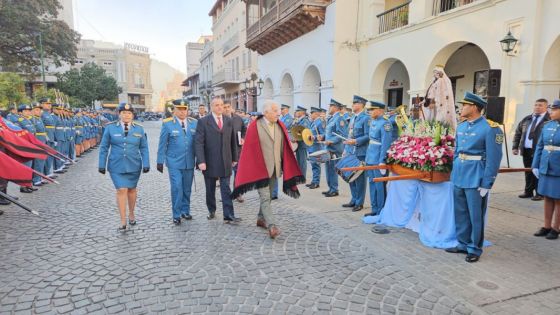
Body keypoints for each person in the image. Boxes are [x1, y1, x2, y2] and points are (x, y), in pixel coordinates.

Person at [231, 100, 304, 238]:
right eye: (275, 110)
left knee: (268, 196)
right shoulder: (255, 126)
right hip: (260, 170)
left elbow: (284, 147)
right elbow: (249, 151)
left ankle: (260, 218)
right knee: (265, 197)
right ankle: (272, 226)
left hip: (274, 168)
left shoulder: (280, 125)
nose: (278, 113)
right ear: (266, 112)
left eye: (278, 110)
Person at [445, 92, 503, 263]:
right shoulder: (462, 127)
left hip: (476, 177)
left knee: (475, 215)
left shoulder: (490, 128)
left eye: (465, 105)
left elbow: (494, 158)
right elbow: (456, 153)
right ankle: (462, 244)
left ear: (475, 107)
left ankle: (474, 248)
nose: (461, 108)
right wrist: (453, 173)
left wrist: (487, 182)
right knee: (460, 212)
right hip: (460, 175)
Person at [98, 103, 150, 232]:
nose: (126, 115)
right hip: (116, 165)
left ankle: (131, 213)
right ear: (119, 114)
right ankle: (123, 220)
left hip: (134, 164)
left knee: (132, 190)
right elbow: (104, 147)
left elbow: (144, 147)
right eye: (124, 113)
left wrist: (146, 163)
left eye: (129, 113)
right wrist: (101, 164)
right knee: (121, 190)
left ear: (132, 115)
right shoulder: (110, 128)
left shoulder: (139, 129)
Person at [195, 97, 240, 223]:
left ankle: (229, 215)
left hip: (226, 161)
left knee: (226, 188)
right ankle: (212, 210)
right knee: (210, 189)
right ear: (211, 107)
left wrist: (234, 158)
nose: (220, 107)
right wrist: (201, 161)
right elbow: (198, 143)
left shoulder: (228, 120)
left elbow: (233, 141)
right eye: (216, 105)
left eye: (221, 105)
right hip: (209, 162)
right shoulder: (203, 122)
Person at [157, 99, 197, 224]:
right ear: (174, 110)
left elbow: (199, 143)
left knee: (187, 188)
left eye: (184, 109)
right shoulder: (167, 124)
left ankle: (185, 210)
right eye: (179, 109)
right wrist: (160, 161)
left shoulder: (194, 123)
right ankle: (176, 213)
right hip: (173, 161)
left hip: (189, 161)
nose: (182, 112)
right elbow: (162, 143)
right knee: (177, 187)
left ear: (187, 110)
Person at [531, 99, 560, 240]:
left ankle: (556, 228)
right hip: (546, 166)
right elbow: (540, 146)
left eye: (554, 110)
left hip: (559, 168)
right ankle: (546, 226)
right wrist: (535, 165)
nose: (551, 112)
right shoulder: (548, 125)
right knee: (547, 196)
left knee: (558, 199)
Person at [513, 98, 550, 201]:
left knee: (538, 172)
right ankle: (528, 192)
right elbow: (518, 133)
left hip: (540, 152)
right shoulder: (527, 119)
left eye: (540, 105)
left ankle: (540, 193)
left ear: (546, 107)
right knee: (528, 172)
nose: (537, 107)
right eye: (536, 105)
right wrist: (515, 147)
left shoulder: (549, 120)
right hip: (526, 150)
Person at [364, 101, 394, 216]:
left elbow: (386, 144)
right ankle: (374, 207)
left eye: (372, 110)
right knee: (372, 183)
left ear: (380, 110)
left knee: (379, 185)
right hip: (370, 157)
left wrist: (382, 161)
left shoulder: (385, 124)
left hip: (378, 159)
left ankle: (381, 210)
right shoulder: (373, 121)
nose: (370, 112)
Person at [342, 95, 371, 212]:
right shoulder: (353, 118)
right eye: (353, 103)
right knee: (350, 177)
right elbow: (349, 134)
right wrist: (345, 149)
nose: (352, 105)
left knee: (359, 179)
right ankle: (353, 199)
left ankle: (359, 202)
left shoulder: (366, 118)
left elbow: (368, 135)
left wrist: (356, 141)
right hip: (350, 151)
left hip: (360, 152)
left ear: (361, 105)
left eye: (355, 103)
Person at [322, 99, 348, 197]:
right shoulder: (331, 118)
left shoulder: (339, 119)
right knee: (328, 168)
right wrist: (323, 137)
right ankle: (330, 188)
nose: (329, 108)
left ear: (336, 107)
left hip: (335, 148)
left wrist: (331, 141)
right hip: (328, 147)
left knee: (333, 169)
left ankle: (334, 189)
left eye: (331, 106)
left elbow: (342, 134)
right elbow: (329, 132)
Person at [224, 102, 247, 202]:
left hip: (237, 150)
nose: (226, 109)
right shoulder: (219, 120)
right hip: (225, 151)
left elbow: (244, 130)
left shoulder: (238, 118)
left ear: (231, 107)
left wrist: (243, 137)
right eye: (224, 107)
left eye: (228, 107)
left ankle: (237, 193)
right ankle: (226, 194)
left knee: (238, 173)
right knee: (226, 174)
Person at [422, 65, 457, 130]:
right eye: (434, 72)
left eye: (436, 72)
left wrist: (432, 102)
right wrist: (424, 101)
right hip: (432, 104)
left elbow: (439, 94)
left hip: (438, 105)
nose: (434, 74)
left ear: (440, 73)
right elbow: (430, 93)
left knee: (437, 120)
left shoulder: (441, 81)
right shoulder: (434, 82)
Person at [16, 104, 38, 193]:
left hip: (31, 146)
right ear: (20, 112)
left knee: (30, 167)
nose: (28, 112)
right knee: (25, 167)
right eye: (26, 111)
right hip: (24, 147)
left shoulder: (28, 121)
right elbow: (18, 135)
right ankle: (23, 186)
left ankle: (28, 184)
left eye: (29, 111)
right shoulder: (19, 121)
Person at [306, 107, 325, 189]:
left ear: (316, 113)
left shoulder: (320, 122)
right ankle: (313, 181)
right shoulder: (313, 122)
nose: (311, 115)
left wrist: (314, 137)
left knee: (316, 165)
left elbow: (323, 134)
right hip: (311, 146)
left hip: (316, 146)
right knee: (313, 165)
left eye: (312, 113)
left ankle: (316, 182)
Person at [31, 103, 48, 187]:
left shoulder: (39, 119)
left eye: (40, 110)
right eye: (37, 110)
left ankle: (40, 177)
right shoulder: (32, 119)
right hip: (37, 141)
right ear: (32, 111)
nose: (39, 111)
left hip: (42, 141)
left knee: (41, 161)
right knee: (37, 161)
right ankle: (36, 179)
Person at [40, 98, 57, 179]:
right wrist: (46, 137)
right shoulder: (41, 114)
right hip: (46, 137)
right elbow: (41, 127)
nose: (49, 105)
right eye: (47, 103)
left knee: (50, 156)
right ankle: (45, 173)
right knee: (45, 156)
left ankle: (48, 172)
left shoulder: (49, 114)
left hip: (51, 136)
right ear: (42, 104)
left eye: (50, 103)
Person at [293, 106, 310, 180]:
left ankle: (303, 177)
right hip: (299, 144)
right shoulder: (299, 120)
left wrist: (296, 138)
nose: (296, 113)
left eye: (298, 111)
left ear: (302, 112)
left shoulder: (305, 121)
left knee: (302, 161)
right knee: (299, 161)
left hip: (302, 143)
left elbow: (304, 132)